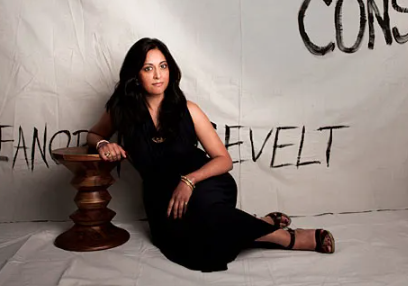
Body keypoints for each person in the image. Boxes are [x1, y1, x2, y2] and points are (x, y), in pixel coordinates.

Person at [87, 38, 335, 272]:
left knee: (207, 215)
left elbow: (224, 160)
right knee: (194, 249)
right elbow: (94, 134)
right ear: (136, 75)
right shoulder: (122, 111)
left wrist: (189, 181)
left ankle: (284, 237)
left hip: (205, 184)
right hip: (162, 200)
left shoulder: (189, 110)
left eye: (163, 66)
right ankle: (260, 223)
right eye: (148, 68)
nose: (158, 75)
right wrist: (103, 145)